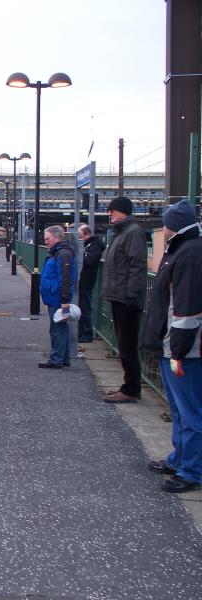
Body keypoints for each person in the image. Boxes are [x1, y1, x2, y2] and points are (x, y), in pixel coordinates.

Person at [141, 199, 202, 493]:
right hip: (171, 347)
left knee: (190, 412)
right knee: (178, 410)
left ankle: (191, 471)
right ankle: (179, 459)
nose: (163, 229)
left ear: (174, 226)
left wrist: (177, 350)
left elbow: (187, 310)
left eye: (165, 224)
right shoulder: (181, 249)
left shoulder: (189, 254)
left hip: (184, 351)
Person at [100, 196, 147, 403]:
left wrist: (130, 296)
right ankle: (128, 385)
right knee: (124, 344)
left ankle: (131, 389)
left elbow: (137, 266)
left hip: (126, 300)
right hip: (119, 297)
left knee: (128, 345)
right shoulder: (122, 233)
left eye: (113, 210)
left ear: (123, 211)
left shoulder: (132, 233)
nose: (109, 213)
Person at [38, 225, 77, 369]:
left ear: (56, 237)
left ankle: (56, 359)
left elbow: (65, 279)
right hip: (56, 298)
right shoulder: (58, 253)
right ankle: (64, 358)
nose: (46, 242)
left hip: (59, 300)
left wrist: (65, 300)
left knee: (57, 329)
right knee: (61, 326)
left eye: (47, 239)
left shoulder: (62, 255)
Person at [77, 224, 106, 344]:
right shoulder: (90, 245)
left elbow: (89, 260)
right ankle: (82, 332)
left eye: (81, 236)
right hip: (84, 279)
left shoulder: (94, 246)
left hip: (86, 280)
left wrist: (79, 256)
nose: (80, 239)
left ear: (87, 234)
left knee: (85, 307)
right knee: (82, 307)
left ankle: (88, 334)